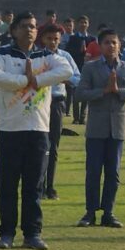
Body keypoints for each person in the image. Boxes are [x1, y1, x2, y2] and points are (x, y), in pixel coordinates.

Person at [0, 12, 73, 250]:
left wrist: (38, 79)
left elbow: (66, 72)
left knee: (34, 187)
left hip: (38, 130)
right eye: (24, 26)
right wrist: (25, 82)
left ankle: (32, 233)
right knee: (7, 186)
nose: (30, 30)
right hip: (10, 130)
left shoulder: (46, 56)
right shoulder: (2, 54)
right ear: (14, 30)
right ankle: (6, 233)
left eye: (33, 27)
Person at [74, 28, 125, 228]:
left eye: (114, 42)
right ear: (100, 46)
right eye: (106, 43)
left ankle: (109, 212)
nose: (111, 46)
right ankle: (90, 212)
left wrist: (118, 91)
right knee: (93, 171)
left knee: (113, 173)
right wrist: (103, 91)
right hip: (96, 128)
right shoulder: (90, 68)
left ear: (120, 45)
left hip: (118, 128)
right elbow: (80, 93)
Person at [39, 24, 80, 200]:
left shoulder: (65, 57)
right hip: (39, 103)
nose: (53, 42)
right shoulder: (37, 57)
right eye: (49, 38)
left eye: (56, 39)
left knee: (53, 145)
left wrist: (61, 76)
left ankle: (50, 186)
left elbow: (77, 78)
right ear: (43, 39)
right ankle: (38, 185)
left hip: (56, 102)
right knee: (39, 145)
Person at [65, 15, 95, 124]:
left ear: (88, 24)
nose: (83, 25)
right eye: (81, 22)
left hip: (88, 69)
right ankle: (76, 117)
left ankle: (83, 117)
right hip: (76, 68)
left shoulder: (92, 39)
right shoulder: (73, 38)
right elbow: (68, 53)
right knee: (76, 93)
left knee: (86, 93)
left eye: (85, 22)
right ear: (77, 24)